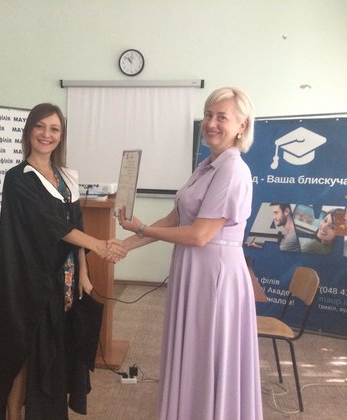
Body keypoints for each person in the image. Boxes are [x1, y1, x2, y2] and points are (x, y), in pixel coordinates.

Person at [117, 87, 263, 420]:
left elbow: (199, 235)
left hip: (214, 276)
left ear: (242, 125)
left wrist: (143, 229)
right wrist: (127, 243)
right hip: (194, 269)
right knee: (194, 352)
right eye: (209, 115)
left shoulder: (232, 170)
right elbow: (177, 218)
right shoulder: (206, 165)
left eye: (222, 117)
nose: (211, 123)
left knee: (208, 353)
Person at [0, 103, 126, 420]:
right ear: (29, 131)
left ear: (61, 136)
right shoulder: (18, 178)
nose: (46, 134)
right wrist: (100, 245)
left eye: (54, 129)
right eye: (40, 126)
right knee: (23, 352)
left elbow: (76, 225)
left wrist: (84, 274)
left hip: (64, 280)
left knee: (53, 353)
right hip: (30, 283)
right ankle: (13, 414)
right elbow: (50, 225)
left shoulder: (67, 178)